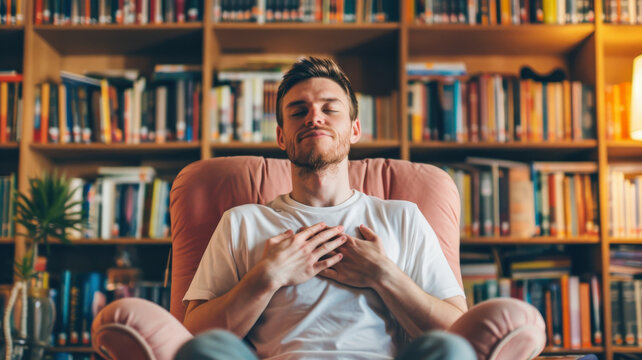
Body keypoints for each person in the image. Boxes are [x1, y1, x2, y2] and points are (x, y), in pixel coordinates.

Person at [176, 57, 475, 360]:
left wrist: (382, 275)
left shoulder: (403, 217)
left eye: (330, 109)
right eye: (298, 111)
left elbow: (458, 333)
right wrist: (267, 277)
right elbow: (193, 338)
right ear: (281, 136)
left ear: (354, 130)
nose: (314, 118)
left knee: (451, 349)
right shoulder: (241, 222)